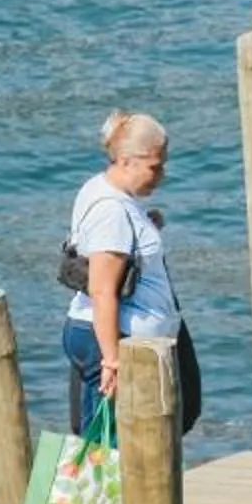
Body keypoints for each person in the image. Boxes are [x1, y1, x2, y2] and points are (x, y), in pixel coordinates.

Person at [61, 110, 187, 436]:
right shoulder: (112, 211)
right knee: (112, 442)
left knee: (102, 439)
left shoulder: (101, 190)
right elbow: (102, 290)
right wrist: (112, 360)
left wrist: (147, 224)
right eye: (155, 166)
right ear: (127, 160)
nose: (161, 175)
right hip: (113, 337)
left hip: (104, 333)